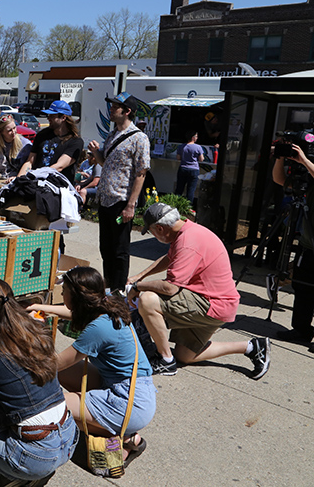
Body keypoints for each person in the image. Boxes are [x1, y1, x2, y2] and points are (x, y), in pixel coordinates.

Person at [0, 278, 78, 486]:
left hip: (34, 456)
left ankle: (12, 475)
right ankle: (31, 470)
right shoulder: (38, 329)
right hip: (69, 437)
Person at [29, 267, 155, 469]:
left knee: (54, 407)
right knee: (62, 378)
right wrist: (45, 308)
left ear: (77, 296)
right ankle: (128, 438)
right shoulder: (107, 303)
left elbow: (53, 364)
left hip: (128, 403)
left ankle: (119, 443)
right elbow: (75, 312)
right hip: (135, 390)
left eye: (64, 292)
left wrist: (35, 330)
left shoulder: (98, 329)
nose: (62, 295)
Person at [127, 203, 271, 379]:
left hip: (211, 305)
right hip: (217, 303)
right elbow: (170, 257)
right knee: (185, 355)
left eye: (151, 232)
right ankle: (252, 347)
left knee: (148, 300)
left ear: (159, 228)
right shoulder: (187, 231)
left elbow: (170, 288)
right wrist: (139, 277)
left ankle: (165, 361)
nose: (152, 235)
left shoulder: (188, 242)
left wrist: (137, 287)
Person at [87, 92, 151, 291]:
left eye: (116, 107)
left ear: (127, 111)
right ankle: (109, 286)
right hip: (105, 199)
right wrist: (96, 152)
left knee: (120, 250)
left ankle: (119, 290)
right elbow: (106, 164)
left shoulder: (139, 138)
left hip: (122, 200)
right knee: (106, 248)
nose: (112, 110)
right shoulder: (112, 134)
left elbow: (141, 173)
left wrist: (131, 205)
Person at [272, 142, 314, 345]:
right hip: (308, 244)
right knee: (302, 286)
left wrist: (305, 161)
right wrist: (281, 157)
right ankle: (301, 330)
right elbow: (280, 179)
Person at [17, 100, 83, 184]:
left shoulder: (75, 141)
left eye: (52, 115)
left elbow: (59, 166)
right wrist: (18, 180)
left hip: (58, 187)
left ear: (63, 117)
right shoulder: (42, 135)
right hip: (36, 184)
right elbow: (30, 162)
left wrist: (36, 175)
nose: (48, 118)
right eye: (49, 115)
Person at [0, 114, 32, 180]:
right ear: (1, 132)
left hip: (18, 181)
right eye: (9, 130)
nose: (13, 132)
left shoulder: (25, 144)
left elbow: (29, 165)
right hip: (0, 180)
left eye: (14, 128)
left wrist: (18, 178)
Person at [175, 130, 204, 203]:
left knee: (179, 189)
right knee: (191, 190)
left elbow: (178, 157)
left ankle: (175, 205)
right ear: (193, 138)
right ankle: (188, 208)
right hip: (194, 170)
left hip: (183, 168)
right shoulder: (198, 147)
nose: (197, 138)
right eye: (196, 136)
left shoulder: (181, 146)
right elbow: (201, 159)